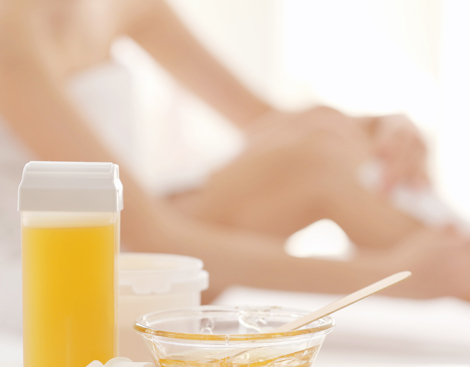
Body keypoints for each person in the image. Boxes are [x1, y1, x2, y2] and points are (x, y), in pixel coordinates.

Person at [0, 0, 469, 314]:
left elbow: (270, 122)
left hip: (139, 228)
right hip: (54, 269)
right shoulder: (11, 32)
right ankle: (455, 266)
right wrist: (391, 278)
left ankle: (456, 261)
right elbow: (153, 237)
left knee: (323, 133)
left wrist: (379, 128)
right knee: (320, 161)